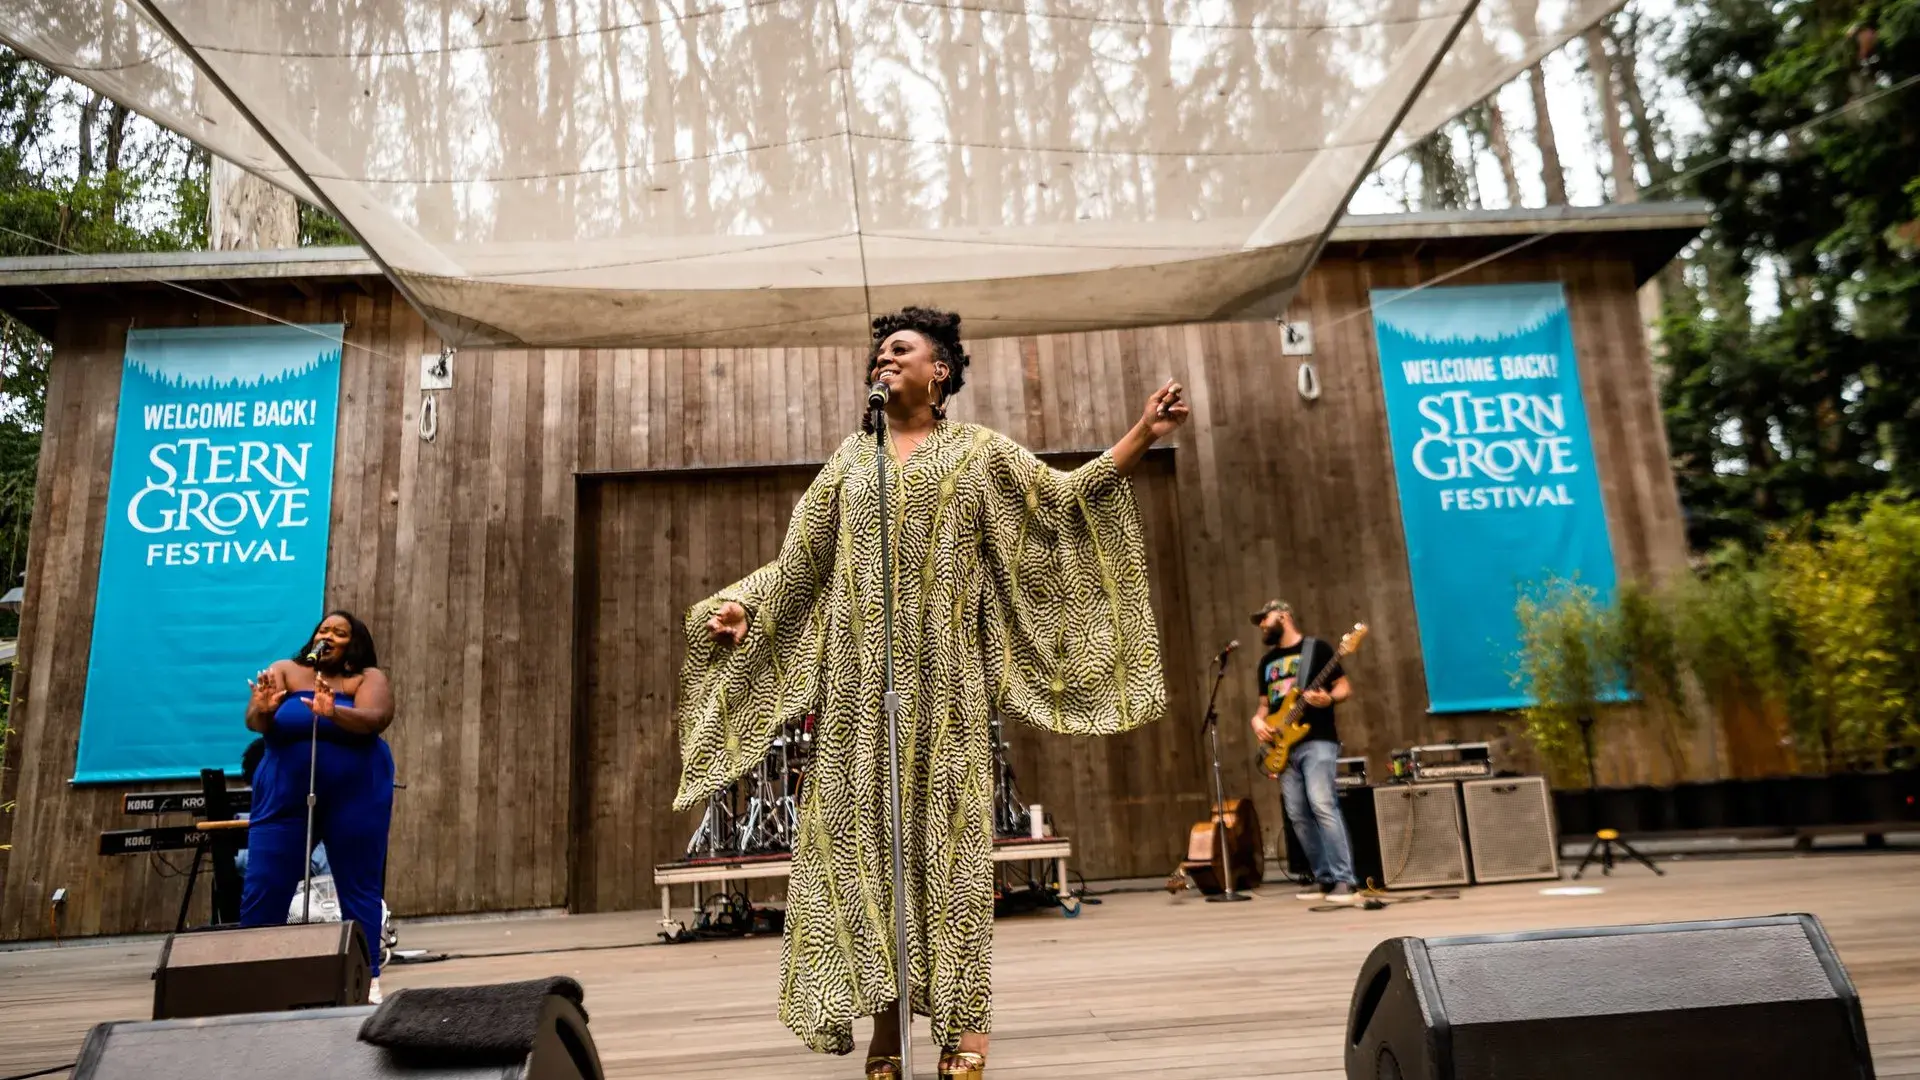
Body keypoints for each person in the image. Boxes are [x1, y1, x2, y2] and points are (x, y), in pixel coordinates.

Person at [679, 306, 1187, 1079]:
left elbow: (1061, 499)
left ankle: (967, 1025)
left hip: (944, 694)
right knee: (866, 861)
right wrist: (746, 608)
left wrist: (1143, 434)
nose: (883, 359)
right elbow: (800, 566)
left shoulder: (979, 455)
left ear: (939, 371)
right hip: (854, 702)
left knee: (948, 861)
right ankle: (888, 1027)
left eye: (901, 349)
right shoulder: (851, 462)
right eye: (878, 352)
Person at [241, 611, 395, 999]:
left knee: (358, 883)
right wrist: (262, 707)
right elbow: (255, 723)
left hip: (356, 793)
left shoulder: (367, 678)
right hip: (285, 792)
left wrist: (334, 712)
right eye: (323, 629)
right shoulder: (285, 671)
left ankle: (367, 977)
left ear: (353, 644)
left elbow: (376, 718)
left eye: (338, 633)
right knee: (265, 882)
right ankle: (255, 975)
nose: (327, 635)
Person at [1248, 600, 1358, 903]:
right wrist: (1257, 721)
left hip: (1317, 739)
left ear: (1284, 615)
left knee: (1323, 804)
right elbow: (1263, 706)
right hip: (1282, 747)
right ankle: (1322, 877)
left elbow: (1344, 687)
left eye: (1265, 618)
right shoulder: (1266, 663)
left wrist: (1329, 699)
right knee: (1297, 814)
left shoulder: (1317, 649)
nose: (1261, 625)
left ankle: (1345, 880)